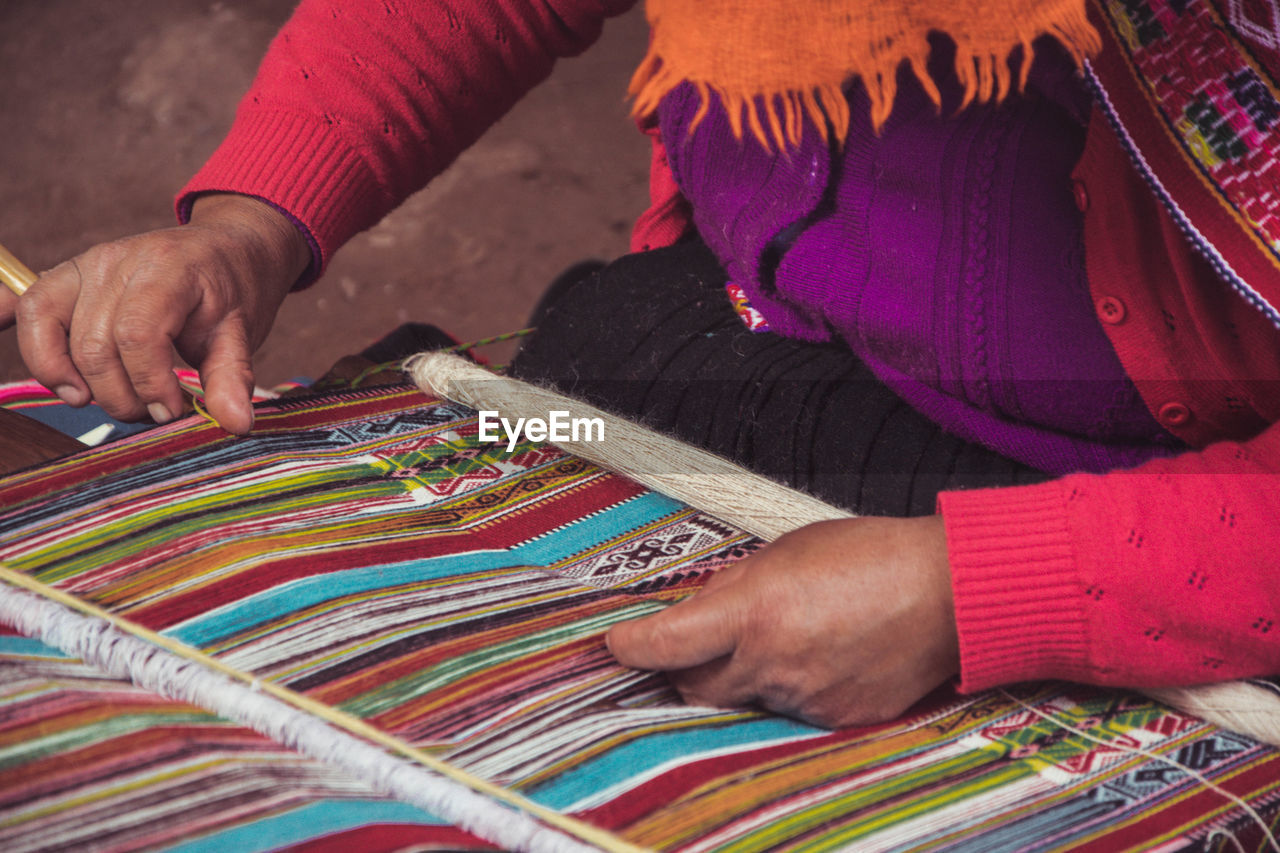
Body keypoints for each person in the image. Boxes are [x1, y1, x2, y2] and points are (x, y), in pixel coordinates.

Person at [1, 0, 1277, 729]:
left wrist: (972, 588)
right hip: (742, 334)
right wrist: (251, 222)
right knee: (522, 428)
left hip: (1161, 493)